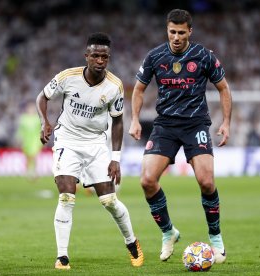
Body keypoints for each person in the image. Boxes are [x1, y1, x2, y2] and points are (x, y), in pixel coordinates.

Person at [129, 9, 232, 263]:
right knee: (147, 180)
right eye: (172, 32)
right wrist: (134, 118)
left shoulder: (204, 56)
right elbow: (139, 89)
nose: (176, 37)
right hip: (164, 125)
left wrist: (226, 122)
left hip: (195, 124)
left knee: (206, 182)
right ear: (167, 30)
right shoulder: (155, 56)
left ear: (190, 32)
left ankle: (216, 237)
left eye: (181, 32)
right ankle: (168, 232)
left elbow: (223, 88)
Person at [36, 32, 144, 270]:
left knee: (109, 200)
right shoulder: (67, 77)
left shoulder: (114, 86)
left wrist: (115, 159)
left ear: (109, 57)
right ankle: (62, 256)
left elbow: (117, 121)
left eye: (104, 56)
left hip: (96, 144)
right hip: (67, 140)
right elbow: (42, 97)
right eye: (95, 55)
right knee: (66, 195)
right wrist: (45, 121)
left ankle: (131, 241)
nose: (100, 60)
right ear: (86, 56)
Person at [16, 101, 43, 180]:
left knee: (34, 156)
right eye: (29, 108)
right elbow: (21, 130)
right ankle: (28, 171)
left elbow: (41, 129)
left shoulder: (37, 118)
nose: (30, 110)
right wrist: (19, 138)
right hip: (26, 141)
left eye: (32, 108)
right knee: (28, 157)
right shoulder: (23, 118)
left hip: (35, 141)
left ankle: (34, 172)